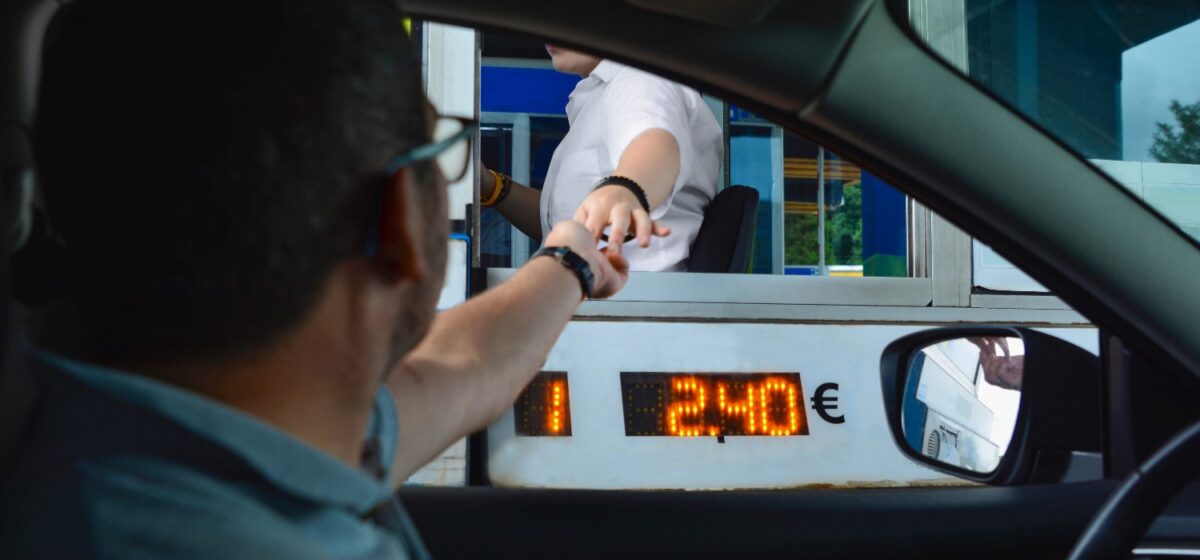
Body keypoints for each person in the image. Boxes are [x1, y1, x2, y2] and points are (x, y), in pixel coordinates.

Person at [0, 1, 639, 558]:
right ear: (400, 219)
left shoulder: (137, 429)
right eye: (439, 149)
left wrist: (571, 262)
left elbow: (462, 366)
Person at [480, 46, 723, 271]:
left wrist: (625, 189)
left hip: (627, 298)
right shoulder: (599, 95)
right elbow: (572, 225)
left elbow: (654, 147)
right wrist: (491, 187)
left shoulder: (640, 80)